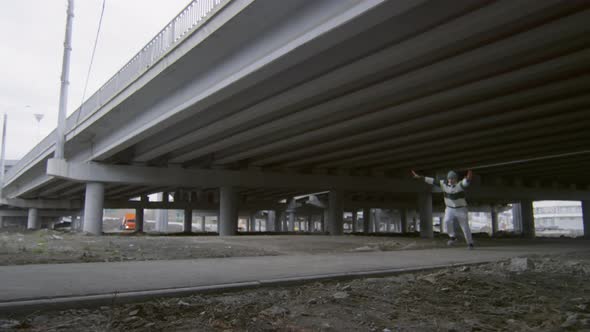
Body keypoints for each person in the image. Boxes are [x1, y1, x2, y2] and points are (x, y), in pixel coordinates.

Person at [411, 169, 474, 250]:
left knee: (465, 227)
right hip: (449, 208)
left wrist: (468, 178)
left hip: (461, 209)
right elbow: (432, 181)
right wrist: (420, 177)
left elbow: (465, 182)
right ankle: (453, 237)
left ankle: (470, 243)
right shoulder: (443, 184)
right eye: (449, 179)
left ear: (456, 179)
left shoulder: (460, 185)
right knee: (447, 221)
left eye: (452, 179)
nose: (450, 180)